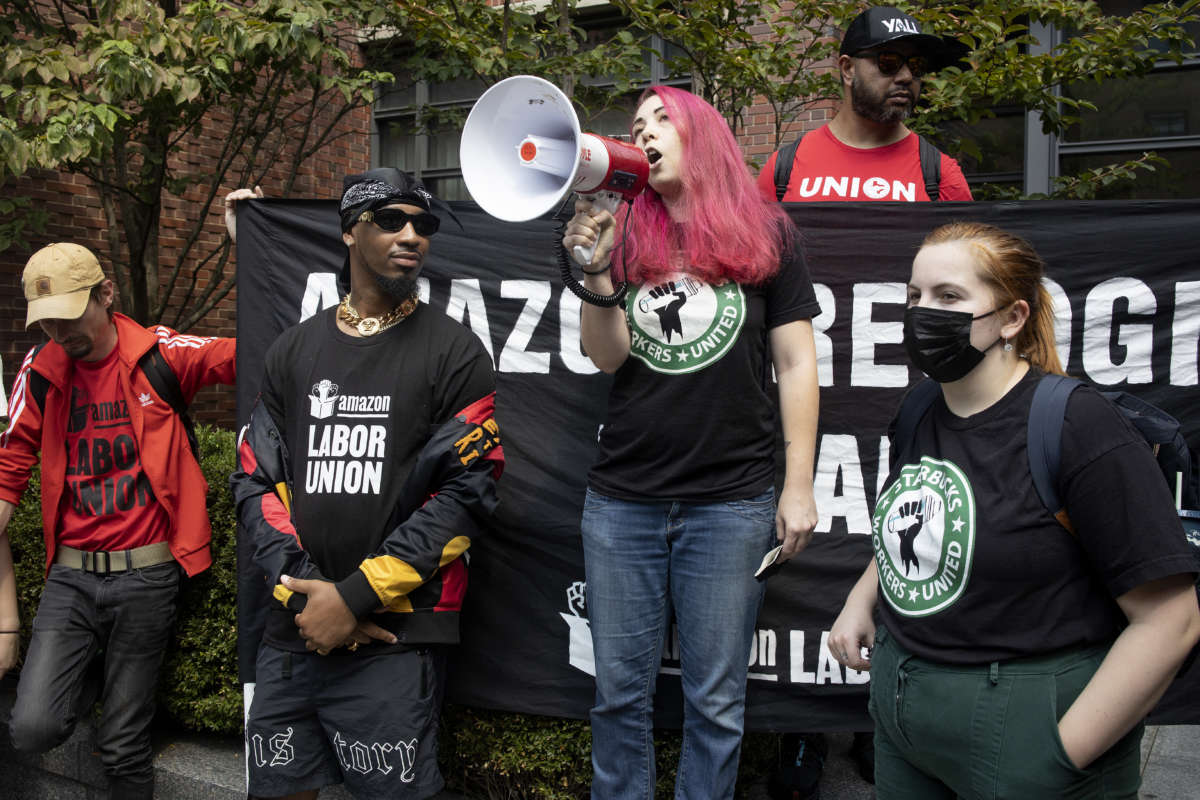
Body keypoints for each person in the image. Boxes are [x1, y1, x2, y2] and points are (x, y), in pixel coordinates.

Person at [828, 222, 1200, 798]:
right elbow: (917, 520)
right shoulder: (918, 407)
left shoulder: (1076, 425)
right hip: (906, 725)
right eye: (914, 296)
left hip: (1029, 730)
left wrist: (1057, 755)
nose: (923, 312)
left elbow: (1171, 621)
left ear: (1012, 318)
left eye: (949, 297)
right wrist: (862, 598)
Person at [562, 86, 821, 800]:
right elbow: (607, 358)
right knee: (619, 699)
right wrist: (594, 272)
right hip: (624, 503)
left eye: (658, 121)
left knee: (716, 704)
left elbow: (797, 365)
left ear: (700, 134)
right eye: (634, 125)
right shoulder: (621, 230)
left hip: (730, 504)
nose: (641, 133)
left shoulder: (768, 233)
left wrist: (797, 486)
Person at [230, 167, 503, 800]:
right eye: (391, 220)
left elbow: (466, 497)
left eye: (423, 224)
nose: (412, 236)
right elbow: (254, 481)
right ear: (351, 232)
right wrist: (310, 601)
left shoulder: (456, 352)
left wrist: (351, 598)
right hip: (292, 633)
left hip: (394, 638)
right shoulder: (292, 351)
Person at [0, 242, 236, 799]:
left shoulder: (160, 355)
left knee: (124, 743)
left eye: (68, 317)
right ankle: (79, 678)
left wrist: (247, 235)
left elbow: (253, 351)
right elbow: (9, 467)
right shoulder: (41, 370)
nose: (59, 334)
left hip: (148, 575)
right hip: (71, 579)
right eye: (47, 323)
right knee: (32, 728)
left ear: (106, 295)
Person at [756, 6, 972, 204]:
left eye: (916, 66)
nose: (906, 77)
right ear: (848, 69)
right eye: (889, 62)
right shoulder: (783, 169)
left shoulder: (940, 175)